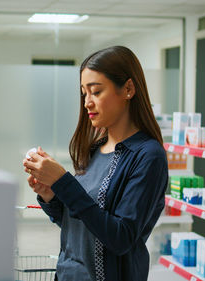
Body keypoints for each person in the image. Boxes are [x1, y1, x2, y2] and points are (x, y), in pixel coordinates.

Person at [23, 46, 168, 281]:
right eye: (84, 93)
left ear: (128, 89)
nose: (87, 103)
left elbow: (120, 238)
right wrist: (51, 194)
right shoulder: (94, 150)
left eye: (96, 92)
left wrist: (64, 182)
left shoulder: (148, 156)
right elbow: (79, 226)